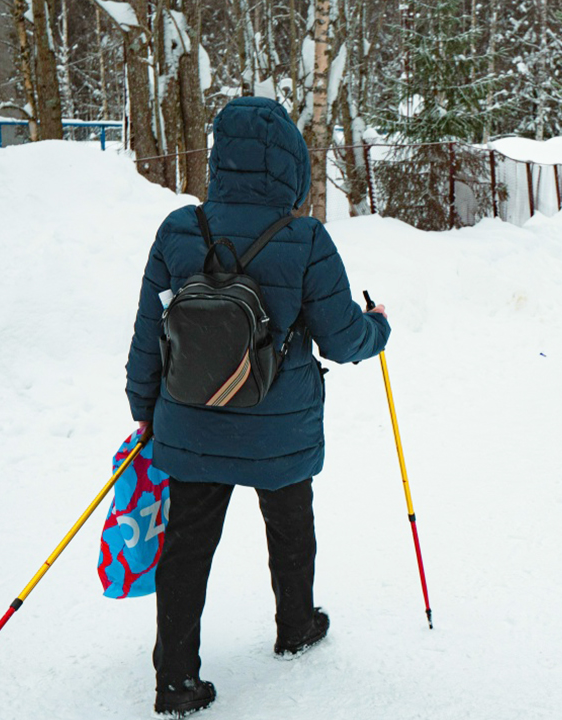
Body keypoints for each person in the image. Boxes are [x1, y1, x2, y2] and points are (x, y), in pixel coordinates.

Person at [124, 96, 390, 717]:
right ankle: (295, 625)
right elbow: (343, 338)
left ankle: (175, 681)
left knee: (186, 547)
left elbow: (147, 334)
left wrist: (144, 408)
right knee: (291, 526)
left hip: (190, 420)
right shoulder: (305, 238)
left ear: (221, 160)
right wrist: (379, 328)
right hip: (280, 427)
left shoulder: (179, 230)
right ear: (289, 167)